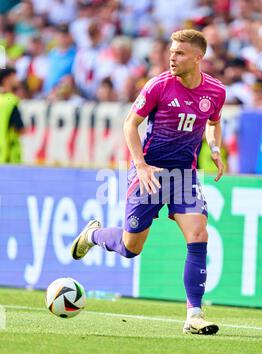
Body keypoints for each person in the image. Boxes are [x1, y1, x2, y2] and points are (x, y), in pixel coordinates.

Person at [71, 29, 226, 335]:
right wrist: (140, 164)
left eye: (180, 53)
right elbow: (130, 123)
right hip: (150, 172)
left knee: (198, 234)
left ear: (198, 57)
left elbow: (214, 122)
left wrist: (216, 149)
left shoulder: (216, 91)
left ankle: (194, 314)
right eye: (171, 51)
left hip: (184, 174)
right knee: (131, 247)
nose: (172, 57)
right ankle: (95, 235)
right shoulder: (159, 86)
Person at [0, 67, 24, 163]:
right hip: (8, 155)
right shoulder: (11, 101)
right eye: (15, 77)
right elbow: (21, 129)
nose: (18, 80)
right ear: (7, 79)